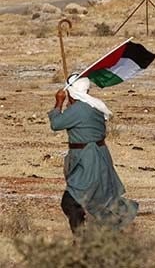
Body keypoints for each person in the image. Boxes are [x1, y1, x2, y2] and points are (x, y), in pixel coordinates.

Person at [49, 74, 138, 234]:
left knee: (71, 201)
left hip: (87, 159)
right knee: (99, 196)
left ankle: (82, 238)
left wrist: (59, 102)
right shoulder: (93, 106)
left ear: (71, 92)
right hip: (99, 155)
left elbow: (56, 124)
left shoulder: (79, 109)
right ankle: (106, 232)